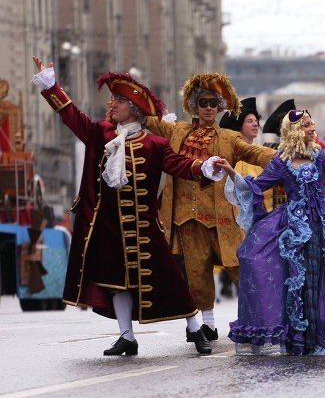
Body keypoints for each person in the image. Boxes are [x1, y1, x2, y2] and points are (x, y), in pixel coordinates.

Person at [30, 56, 226, 356]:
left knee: (170, 279)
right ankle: (126, 337)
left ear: (133, 108)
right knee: (116, 282)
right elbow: (71, 116)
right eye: (112, 100)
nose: (112, 105)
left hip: (145, 225)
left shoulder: (155, 144)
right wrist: (51, 85)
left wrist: (205, 167)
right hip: (110, 225)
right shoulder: (102, 135)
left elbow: (180, 165)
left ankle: (194, 327)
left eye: (118, 101)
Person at [221, 101, 325, 354]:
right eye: (307, 124)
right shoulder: (281, 162)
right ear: (295, 130)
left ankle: (324, 337)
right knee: (297, 281)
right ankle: (299, 338)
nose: (312, 127)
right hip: (295, 228)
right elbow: (255, 187)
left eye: (311, 123)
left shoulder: (320, 155)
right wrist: (231, 171)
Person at [145, 73, 276, 342]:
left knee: (240, 266)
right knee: (196, 271)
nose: (208, 108)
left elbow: (257, 153)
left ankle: (264, 317)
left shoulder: (229, 137)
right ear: (194, 105)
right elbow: (146, 119)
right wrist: (132, 96)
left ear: (220, 108)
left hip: (222, 217)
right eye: (203, 102)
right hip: (185, 217)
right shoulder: (177, 131)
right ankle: (207, 324)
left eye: (213, 103)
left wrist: (288, 157)